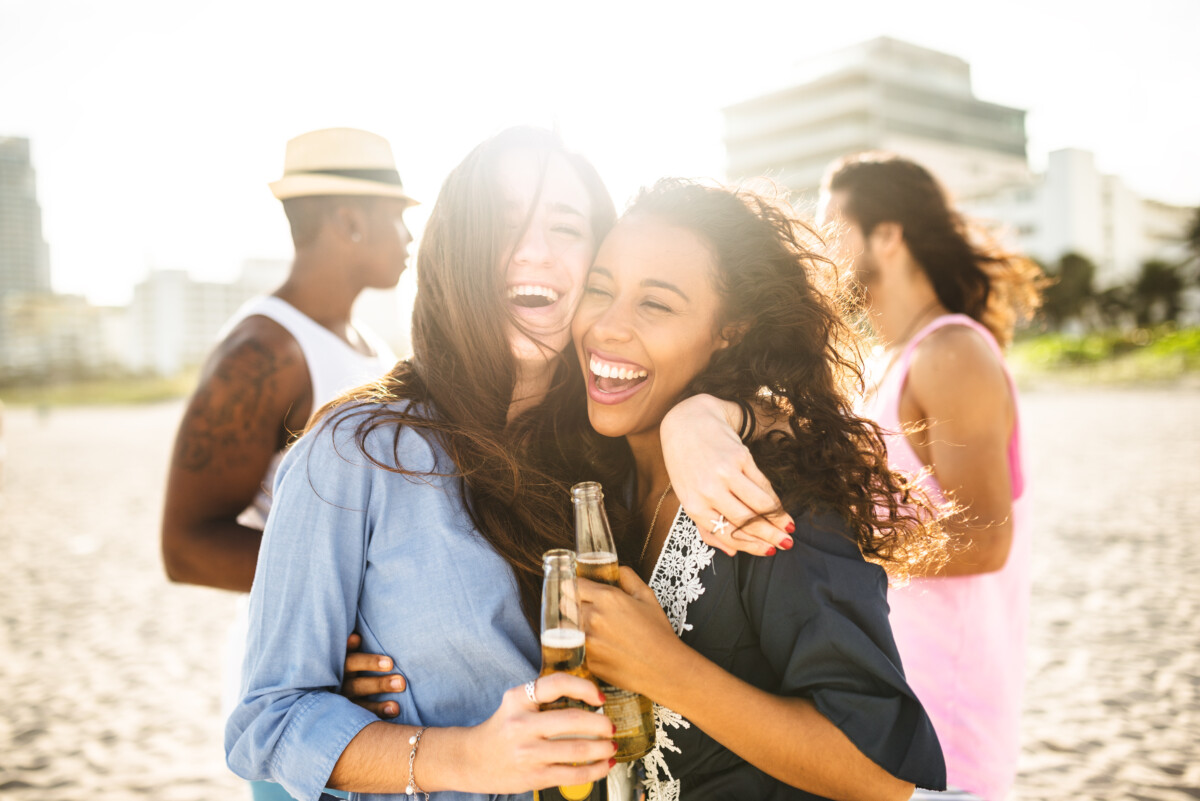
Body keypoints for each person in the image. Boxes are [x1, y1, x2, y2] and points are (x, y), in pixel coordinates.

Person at [224, 127, 792, 801]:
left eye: (565, 226)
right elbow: (266, 720)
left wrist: (706, 418)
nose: (533, 252)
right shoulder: (354, 451)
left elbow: (811, 417)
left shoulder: (611, 441)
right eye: (501, 224)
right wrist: (459, 755)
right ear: (455, 250)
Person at [566, 178, 946, 800]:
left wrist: (664, 669)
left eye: (655, 305)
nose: (606, 327)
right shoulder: (591, 474)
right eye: (599, 289)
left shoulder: (774, 500)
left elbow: (883, 778)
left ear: (730, 330)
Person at [162, 127, 414, 800]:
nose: (410, 236)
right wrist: (337, 600)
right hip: (298, 687)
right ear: (351, 220)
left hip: (362, 687)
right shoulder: (262, 350)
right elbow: (185, 545)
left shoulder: (370, 344)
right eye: (399, 216)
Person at [816, 152, 1045, 801]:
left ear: (887, 234)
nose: (821, 248)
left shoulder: (952, 351)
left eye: (833, 225)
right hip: (883, 719)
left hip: (947, 736)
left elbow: (984, 538)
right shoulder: (886, 363)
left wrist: (834, 548)